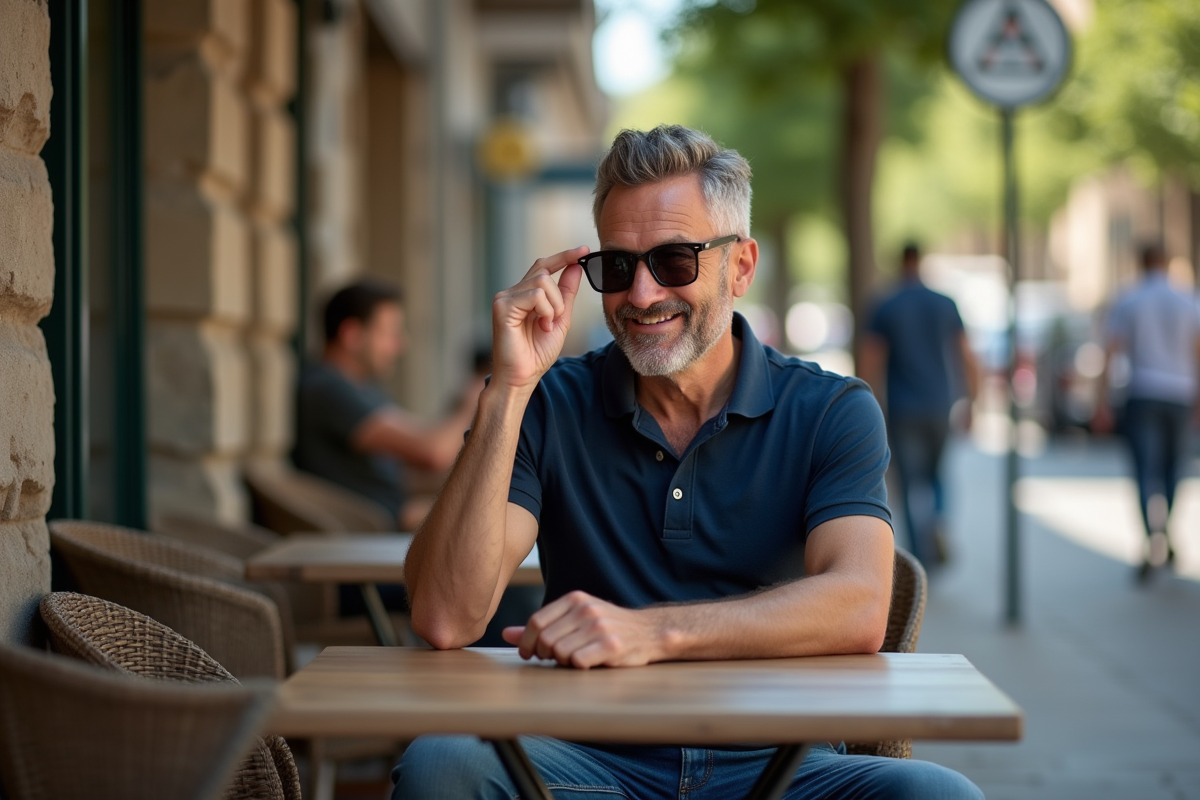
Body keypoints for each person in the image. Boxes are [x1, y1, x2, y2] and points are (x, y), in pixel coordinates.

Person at [393, 126, 982, 799]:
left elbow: (858, 605)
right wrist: (508, 389)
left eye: (674, 261)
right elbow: (445, 617)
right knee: (442, 763)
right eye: (617, 265)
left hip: (780, 768)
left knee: (941, 795)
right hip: (581, 763)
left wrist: (651, 631)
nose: (641, 294)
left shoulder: (830, 409)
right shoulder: (549, 401)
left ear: (742, 266)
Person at [293, 279, 482, 532]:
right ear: (352, 335)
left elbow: (421, 453)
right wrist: (479, 398)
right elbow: (434, 453)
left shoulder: (362, 387)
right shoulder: (327, 388)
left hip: (396, 522)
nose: (401, 345)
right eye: (391, 334)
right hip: (374, 536)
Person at [860, 244, 979, 571]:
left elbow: (872, 361)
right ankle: (938, 521)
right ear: (921, 262)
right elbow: (967, 356)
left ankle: (919, 557)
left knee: (909, 482)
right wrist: (973, 401)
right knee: (939, 475)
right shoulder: (945, 304)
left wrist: (867, 406)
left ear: (900, 263)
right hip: (941, 404)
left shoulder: (885, 305)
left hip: (903, 408)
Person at [1094, 244, 1200, 581]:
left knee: (1144, 470)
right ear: (1167, 262)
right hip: (1179, 393)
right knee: (1173, 469)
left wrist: (1101, 400)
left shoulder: (1130, 299)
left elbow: (1111, 352)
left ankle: (1150, 537)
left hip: (1142, 391)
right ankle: (1164, 531)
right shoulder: (1188, 299)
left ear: (1140, 263)